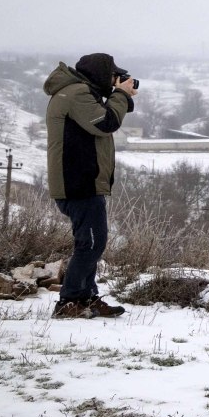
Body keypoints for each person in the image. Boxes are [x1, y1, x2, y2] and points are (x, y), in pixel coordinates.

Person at [43, 52, 137, 318]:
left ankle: (86, 297)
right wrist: (121, 94)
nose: (114, 79)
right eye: (112, 75)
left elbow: (105, 115)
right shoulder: (76, 93)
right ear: (99, 74)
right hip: (78, 182)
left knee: (91, 243)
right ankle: (69, 301)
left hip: (81, 180)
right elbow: (106, 123)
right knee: (92, 244)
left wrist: (121, 96)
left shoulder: (79, 92)